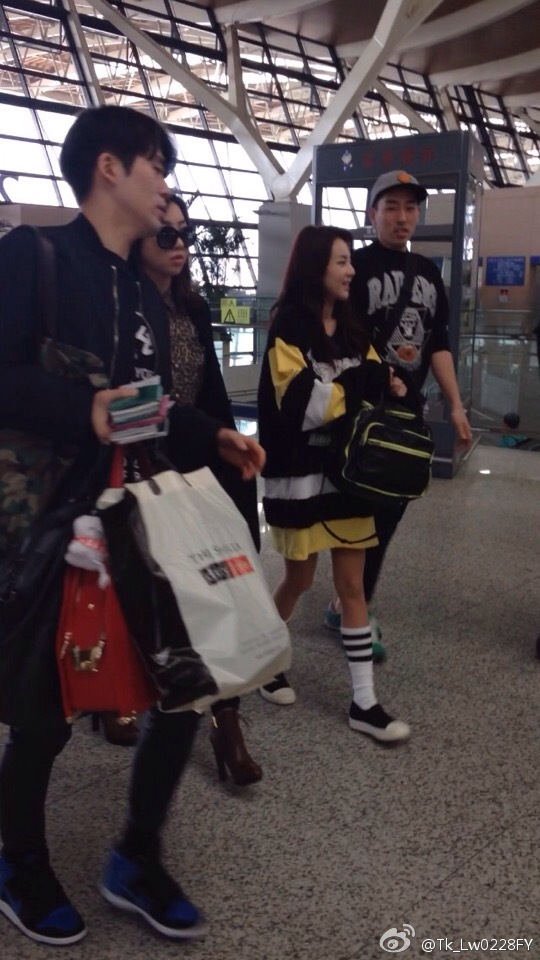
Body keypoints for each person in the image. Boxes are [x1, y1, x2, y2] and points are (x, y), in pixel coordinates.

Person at [0, 105, 264, 946]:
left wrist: (211, 435)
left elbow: (151, 406)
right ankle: (19, 862)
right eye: (158, 165)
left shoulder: (142, 293)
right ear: (109, 167)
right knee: (41, 713)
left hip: (139, 519)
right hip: (48, 522)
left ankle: (137, 855)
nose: (166, 185)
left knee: (182, 685)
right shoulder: (33, 256)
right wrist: (81, 409)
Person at [256, 224, 410, 745]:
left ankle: (364, 702)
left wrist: (384, 382)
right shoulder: (288, 327)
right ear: (315, 266)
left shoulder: (352, 326)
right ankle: (267, 663)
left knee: (352, 586)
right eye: (341, 261)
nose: (351, 270)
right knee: (299, 578)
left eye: (350, 261)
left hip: (348, 476)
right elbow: (304, 405)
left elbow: (371, 384)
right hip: (299, 478)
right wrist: (365, 380)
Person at [137, 193, 262, 786]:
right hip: (142, 467)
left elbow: (210, 392)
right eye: (166, 234)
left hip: (197, 457)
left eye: (184, 233)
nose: (180, 244)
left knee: (216, 590)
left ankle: (226, 723)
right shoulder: (125, 308)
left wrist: (229, 450)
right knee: (155, 597)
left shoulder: (191, 306)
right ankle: (121, 700)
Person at [324, 170, 473, 648]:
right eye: (391, 207)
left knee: (389, 510)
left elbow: (438, 344)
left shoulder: (428, 273)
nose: (402, 217)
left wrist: (455, 405)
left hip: (406, 414)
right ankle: (352, 608)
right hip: (362, 409)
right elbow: (337, 336)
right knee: (358, 506)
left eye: (410, 208)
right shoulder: (355, 268)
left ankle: (351, 603)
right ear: (372, 213)